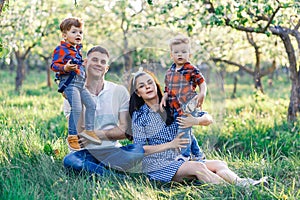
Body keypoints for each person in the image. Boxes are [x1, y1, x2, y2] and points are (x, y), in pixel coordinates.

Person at [130, 71, 268, 186]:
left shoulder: (173, 103)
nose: (147, 87)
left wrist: (195, 120)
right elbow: (139, 150)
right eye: (142, 86)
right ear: (137, 93)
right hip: (159, 163)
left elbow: (208, 118)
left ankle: (244, 183)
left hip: (183, 158)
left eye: (150, 83)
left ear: (156, 85)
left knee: (219, 164)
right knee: (198, 167)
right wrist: (171, 144)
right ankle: (235, 190)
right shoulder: (140, 116)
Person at [63, 46, 144, 175]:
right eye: (94, 60)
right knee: (70, 161)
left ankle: (95, 170)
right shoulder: (72, 92)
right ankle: (113, 175)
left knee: (138, 150)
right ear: (85, 62)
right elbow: (78, 132)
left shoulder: (119, 91)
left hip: (112, 150)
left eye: (103, 62)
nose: (98, 64)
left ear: (106, 68)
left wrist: (94, 135)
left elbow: (125, 130)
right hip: (84, 153)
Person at [51, 17, 101, 150]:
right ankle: (72, 136)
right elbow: (54, 65)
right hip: (70, 84)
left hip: (80, 84)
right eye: (74, 32)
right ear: (64, 35)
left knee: (91, 105)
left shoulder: (77, 50)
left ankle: (89, 131)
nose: (78, 35)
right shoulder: (61, 49)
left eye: (80, 32)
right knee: (77, 108)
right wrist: (65, 68)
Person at [160, 34, 207, 161]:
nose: (180, 54)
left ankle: (185, 155)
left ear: (189, 55)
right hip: (174, 107)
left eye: (184, 52)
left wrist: (202, 93)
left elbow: (202, 82)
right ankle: (197, 154)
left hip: (187, 105)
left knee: (183, 130)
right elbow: (167, 88)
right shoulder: (170, 71)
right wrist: (164, 96)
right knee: (185, 130)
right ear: (171, 55)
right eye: (176, 52)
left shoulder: (191, 69)